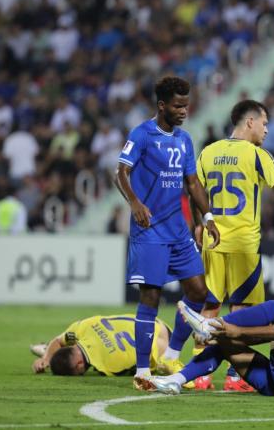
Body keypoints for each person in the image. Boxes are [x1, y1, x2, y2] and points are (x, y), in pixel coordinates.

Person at [114, 76, 221, 389]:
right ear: (162, 105)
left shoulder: (184, 139)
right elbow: (121, 171)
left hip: (178, 230)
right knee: (152, 296)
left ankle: (171, 354)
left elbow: (192, 184)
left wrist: (208, 216)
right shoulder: (142, 134)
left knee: (199, 292)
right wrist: (134, 202)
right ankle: (143, 370)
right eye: (178, 105)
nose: (184, 111)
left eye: (186, 105)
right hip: (150, 231)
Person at [193, 99, 274, 391]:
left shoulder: (208, 152)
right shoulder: (256, 154)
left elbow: (195, 190)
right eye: (265, 123)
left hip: (212, 240)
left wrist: (199, 224)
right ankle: (234, 375)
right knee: (242, 309)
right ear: (250, 122)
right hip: (243, 243)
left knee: (210, 306)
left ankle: (200, 374)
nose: (267, 130)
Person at [134, 260, 274, 396]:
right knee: (223, 343)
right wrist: (227, 335)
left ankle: (210, 325)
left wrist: (237, 331)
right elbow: (268, 336)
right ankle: (175, 380)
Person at [30, 314, 179, 378]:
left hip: (164, 348)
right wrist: (47, 358)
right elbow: (58, 341)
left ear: (79, 365)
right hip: (154, 322)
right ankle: (46, 349)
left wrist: (47, 357)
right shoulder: (82, 328)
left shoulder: (107, 367)